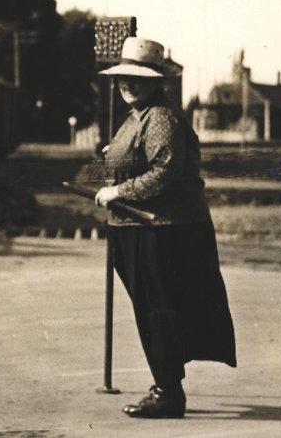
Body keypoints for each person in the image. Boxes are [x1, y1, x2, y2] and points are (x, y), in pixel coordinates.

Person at [94, 37, 236, 419]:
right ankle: (166, 387)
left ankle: (168, 393)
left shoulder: (161, 117)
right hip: (138, 226)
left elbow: (163, 174)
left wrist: (117, 190)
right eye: (124, 77)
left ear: (157, 80)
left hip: (162, 229)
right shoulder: (139, 115)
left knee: (159, 310)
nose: (128, 84)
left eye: (138, 78)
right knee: (153, 309)